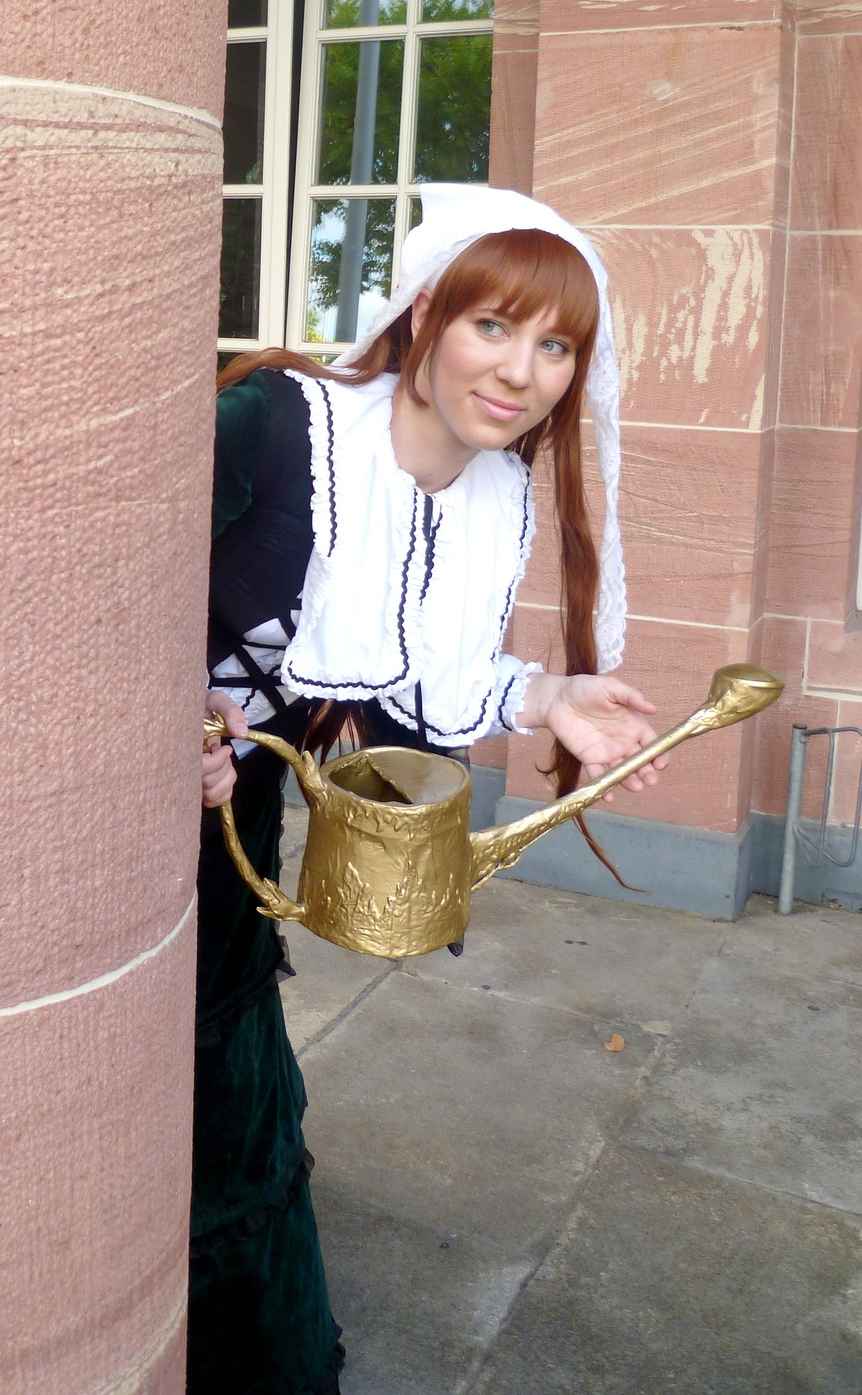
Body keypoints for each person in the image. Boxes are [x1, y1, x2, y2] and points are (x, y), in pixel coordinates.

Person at [191, 183, 666, 1394]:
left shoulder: (493, 495)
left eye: (556, 345)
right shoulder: (274, 425)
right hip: (117, 797)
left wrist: (545, 697)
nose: (522, 371)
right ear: (425, 317)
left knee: (225, 1072)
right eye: (493, 327)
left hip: (230, 811)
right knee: (202, 1093)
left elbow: (430, 680)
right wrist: (147, 733)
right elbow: (96, 581)